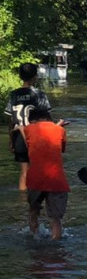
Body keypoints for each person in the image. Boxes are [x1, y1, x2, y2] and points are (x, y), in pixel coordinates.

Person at [6, 63, 57, 191]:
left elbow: (10, 120)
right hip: (36, 136)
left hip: (18, 136)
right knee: (40, 169)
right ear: (35, 76)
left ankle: (22, 201)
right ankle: (35, 202)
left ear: (20, 76)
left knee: (24, 171)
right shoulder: (39, 94)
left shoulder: (14, 94)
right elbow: (47, 118)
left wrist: (11, 141)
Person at [23, 107, 69, 240]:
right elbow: (60, 148)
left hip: (35, 179)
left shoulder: (29, 129)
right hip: (57, 180)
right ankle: (55, 247)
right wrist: (57, 126)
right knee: (55, 219)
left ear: (33, 120)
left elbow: (32, 141)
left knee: (33, 211)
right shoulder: (60, 130)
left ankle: (34, 237)